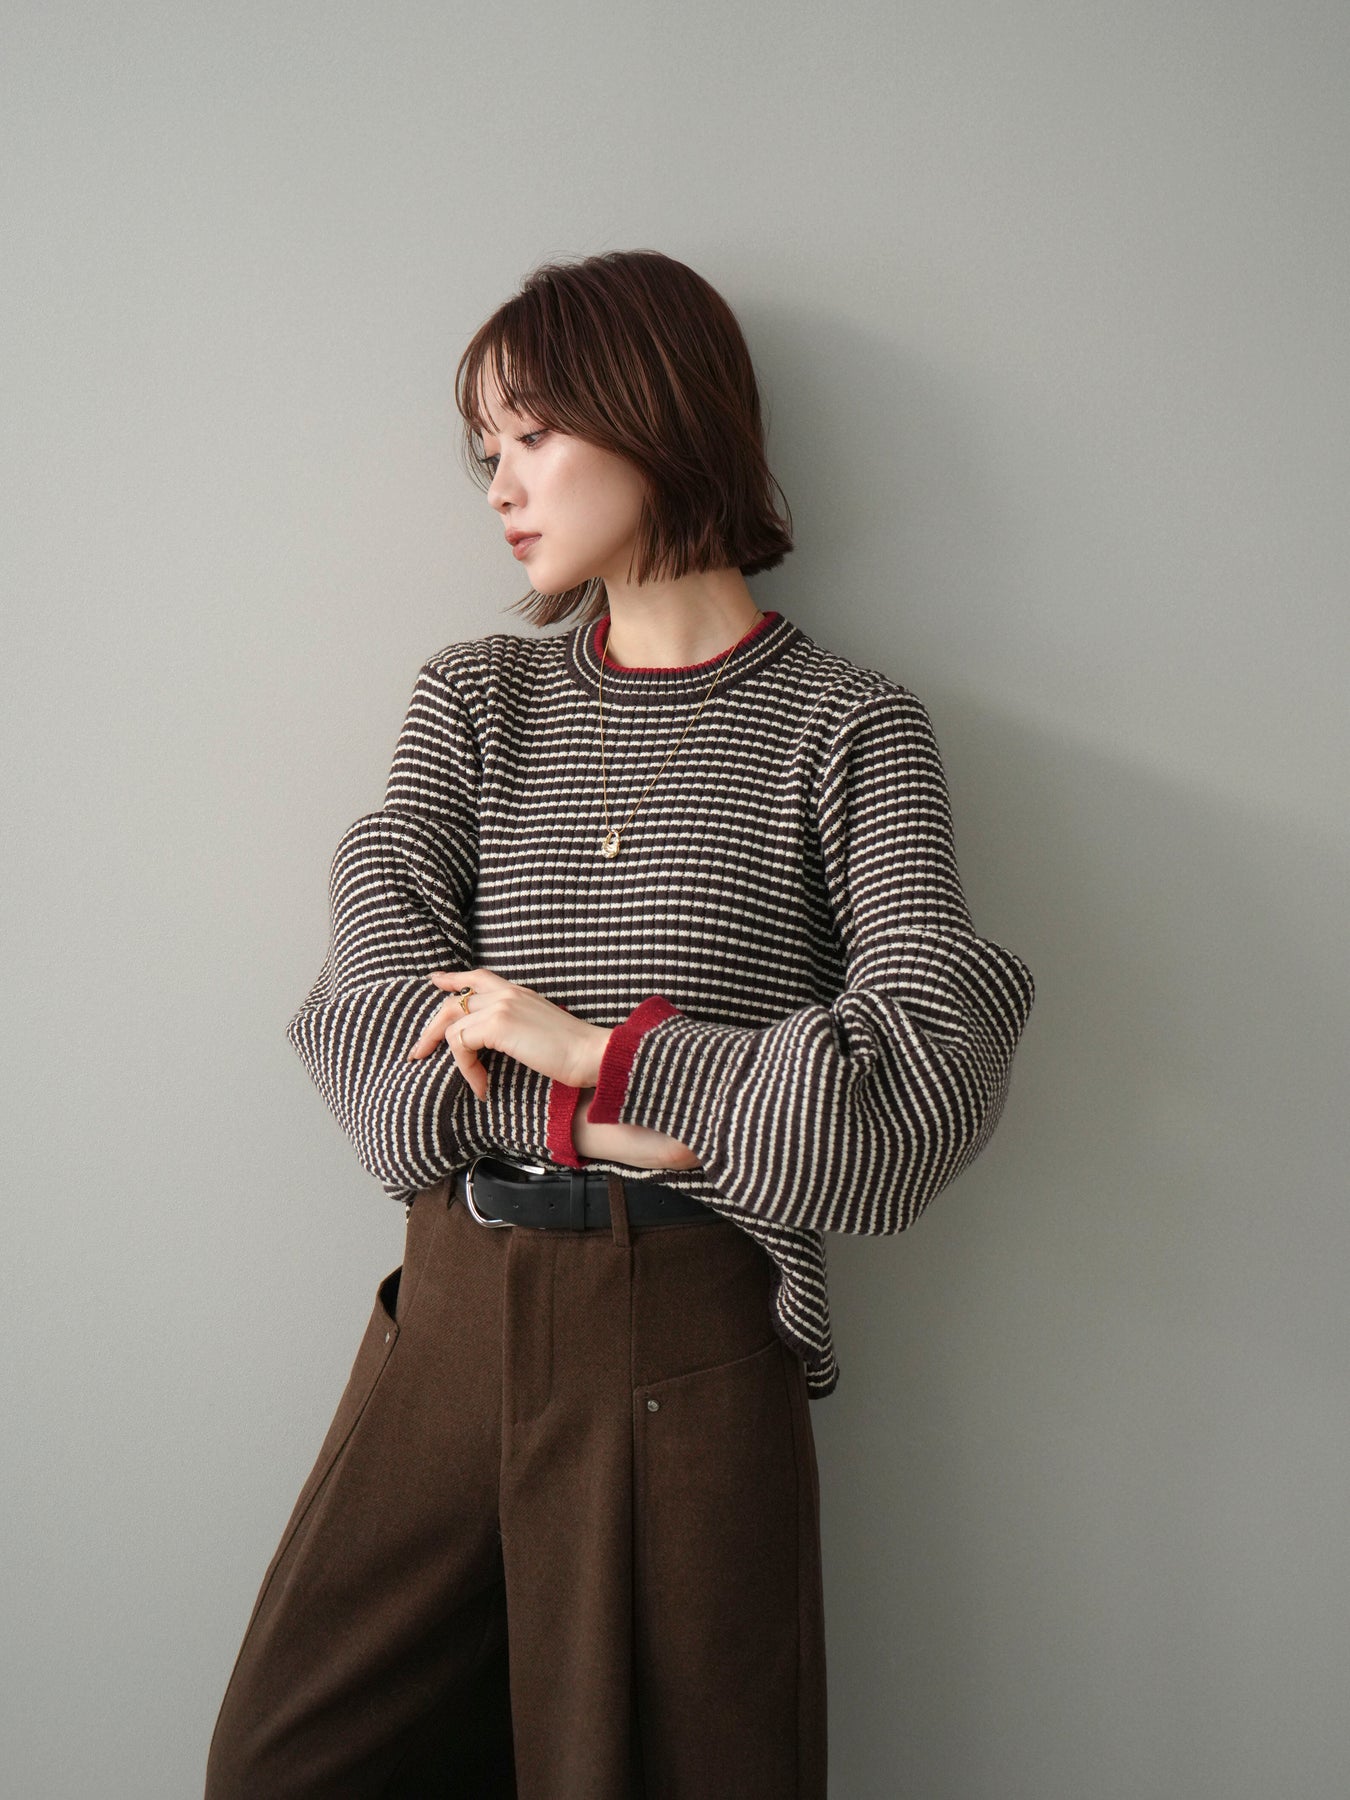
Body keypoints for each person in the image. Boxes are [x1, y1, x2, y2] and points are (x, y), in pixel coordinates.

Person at [204, 248, 1035, 1799]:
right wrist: (615, 1121)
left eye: (533, 434)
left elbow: (910, 1100)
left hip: (683, 1341)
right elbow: (372, 1051)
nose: (501, 485)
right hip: (448, 1319)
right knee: (283, 1766)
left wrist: (594, 1048)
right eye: (486, 448)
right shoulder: (472, 703)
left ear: (654, 413)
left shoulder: (848, 728)